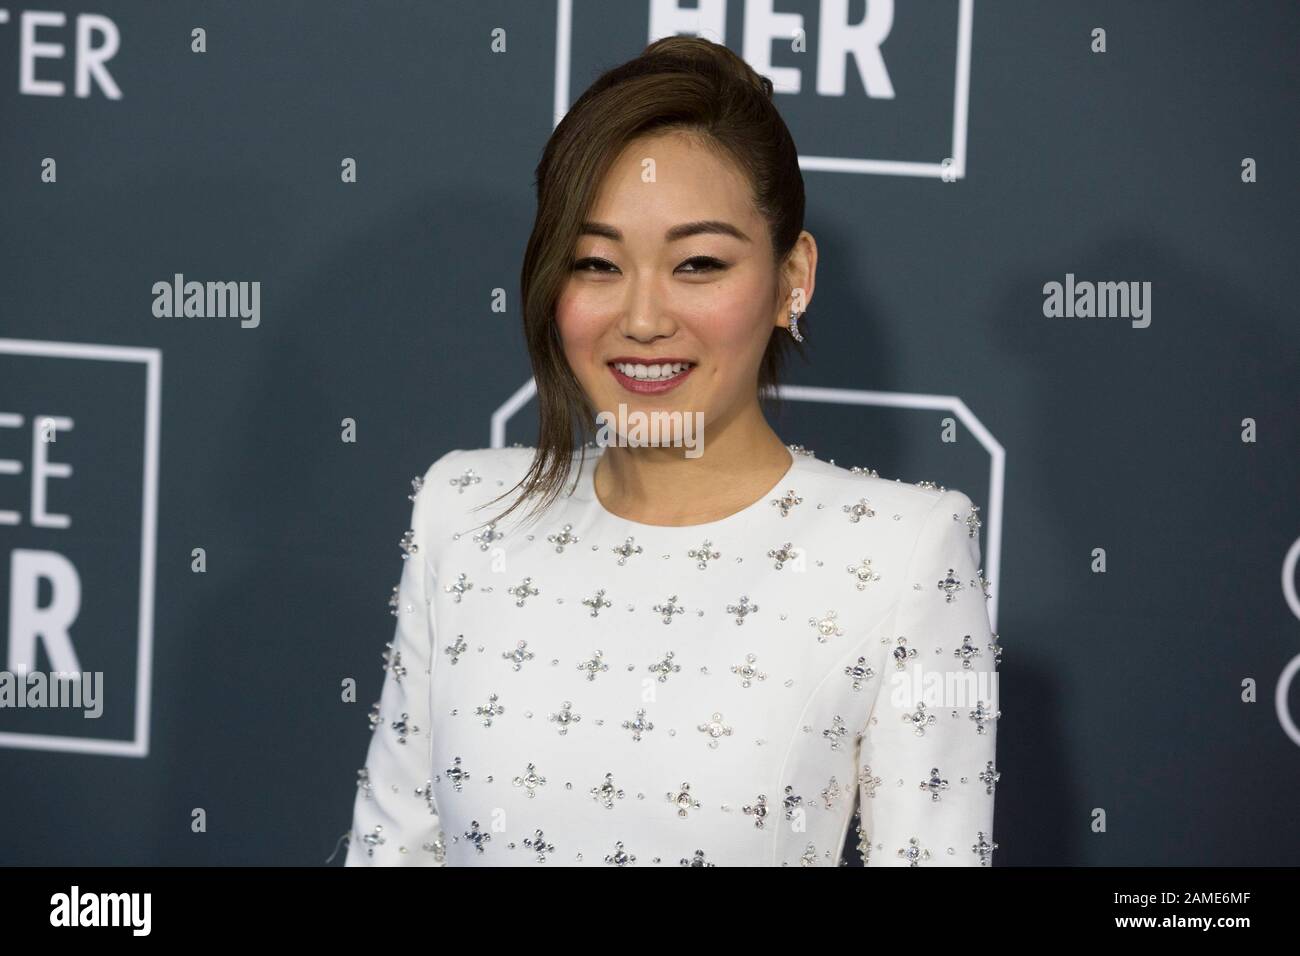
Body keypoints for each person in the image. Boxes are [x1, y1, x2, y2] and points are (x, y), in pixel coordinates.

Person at [343, 35, 999, 866]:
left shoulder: (904, 552)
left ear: (791, 278)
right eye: (596, 263)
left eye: (697, 263)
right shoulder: (465, 511)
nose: (645, 319)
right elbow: (392, 848)